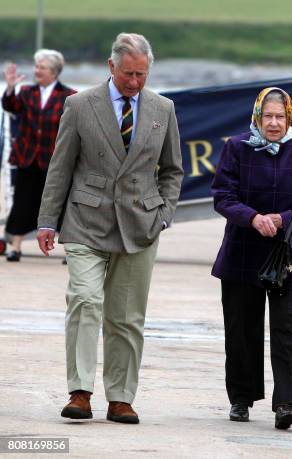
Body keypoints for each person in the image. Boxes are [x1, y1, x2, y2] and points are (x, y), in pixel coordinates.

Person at [36, 33, 183, 424]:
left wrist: (164, 213)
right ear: (111, 66)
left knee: (126, 317)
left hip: (139, 224)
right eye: (128, 74)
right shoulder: (80, 105)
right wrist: (48, 220)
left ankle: (120, 397)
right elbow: (60, 167)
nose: (135, 82)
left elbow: (172, 170)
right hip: (86, 220)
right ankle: (80, 392)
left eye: (142, 74)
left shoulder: (163, 108)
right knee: (85, 301)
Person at [211, 87, 292, 429]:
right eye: (268, 117)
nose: (274, 124)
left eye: (280, 117)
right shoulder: (236, 147)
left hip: (287, 255)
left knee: (284, 328)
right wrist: (252, 217)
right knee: (241, 330)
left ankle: (287, 403)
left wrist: (283, 219)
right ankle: (241, 398)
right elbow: (222, 196)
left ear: (289, 118)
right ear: (257, 117)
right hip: (242, 252)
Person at [2, 50, 76, 261]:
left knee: (60, 205)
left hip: (55, 160)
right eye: (36, 67)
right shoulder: (26, 92)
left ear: (54, 72)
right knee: (22, 202)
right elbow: (10, 106)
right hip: (28, 157)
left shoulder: (69, 96)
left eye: (41, 68)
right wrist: (9, 88)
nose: (37, 71)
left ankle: (70, 251)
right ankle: (15, 247)